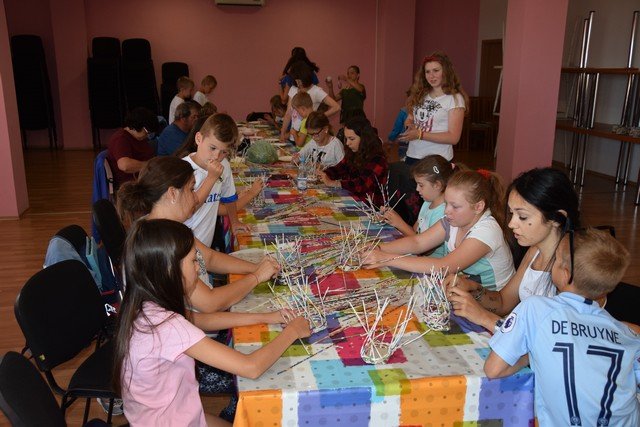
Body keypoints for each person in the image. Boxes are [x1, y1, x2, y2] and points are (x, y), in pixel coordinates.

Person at [113, 219, 311, 426]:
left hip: (166, 417)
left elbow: (203, 320)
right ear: (169, 270)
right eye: (193, 261)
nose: (198, 269)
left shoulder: (145, 307)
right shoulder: (167, 326)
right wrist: (292, 332)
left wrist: (266, 317)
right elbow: (251, 367)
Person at [485, 228, 638, 427]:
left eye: (556, 259)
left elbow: (494, 370)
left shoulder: (534, 308)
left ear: (565, 274)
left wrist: (533, 353)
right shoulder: (627, 334)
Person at [116, 156, 272, 308]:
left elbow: (210, 259)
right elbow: (210, 302)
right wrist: (257, 276)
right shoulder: (164, 242)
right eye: (192, 189)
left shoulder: (167, 226)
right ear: (172, 193)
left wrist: (256, 267)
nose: (197, 199)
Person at [447, 168, 580, 332]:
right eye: (511, 214)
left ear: (556, 218)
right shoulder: (535, 251)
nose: (511, 224)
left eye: (522, 217)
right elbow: (504, 302)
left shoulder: (571, 269)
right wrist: (472, 288)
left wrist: (485, 317)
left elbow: (547, 337)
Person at [364, 170, 514, 291]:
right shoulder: (455, 219)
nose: (447, 210)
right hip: (463, 292)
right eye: (446, 203)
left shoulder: (487, 231)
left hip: (490, 303)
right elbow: (418, 242)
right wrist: (378, 248)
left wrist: (386, 258)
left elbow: (443, 266)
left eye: (455, 206)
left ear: (478, 207)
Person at [181, 113, 251, 245]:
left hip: (206, 242)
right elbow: (188, 210)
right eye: (212, 148)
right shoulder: (182, 169)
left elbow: (229, 197)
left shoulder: (224, 165)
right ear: (198, 138)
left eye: (224, 152)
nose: (216, 156)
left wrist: (234, 222)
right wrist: (211, 178)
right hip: (183, 244)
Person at [383, 156, 459, 259]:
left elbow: (425, 250)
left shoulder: (443, 212)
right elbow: (414, 232)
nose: (417, 189)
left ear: (437, 185)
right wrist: (393, 219)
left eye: (421, 185)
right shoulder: (427, 203)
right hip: (418, 255)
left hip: (431, 263)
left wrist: (399, 223)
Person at [399, 52, 468, 165]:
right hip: (413, 155)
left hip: (437, 159)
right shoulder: (420, 94)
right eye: (428, 72)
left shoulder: (455, 98)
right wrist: (410, 125)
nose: (431, 76)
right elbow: (410, 118)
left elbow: (453, 138)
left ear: (446, 72)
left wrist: (420, 134)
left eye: (436, 70)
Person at [319, 117, 388, 204]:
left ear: (364, 138)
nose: (347, 143)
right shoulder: (354, 151)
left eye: (351, 139)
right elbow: (340, 168)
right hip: (352, 197)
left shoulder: (378, 158)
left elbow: (362, 184)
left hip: (370, 205)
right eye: (346, 138)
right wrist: (324, 173)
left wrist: (335, 183)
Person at [280, 62, 340, 143]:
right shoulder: (293, 89)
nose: (297, 82)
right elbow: (288, 114)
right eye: (295, 80)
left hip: (308, 138)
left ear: (304, 77)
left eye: (299, 79)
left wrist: (317, 117)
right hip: (294, 137)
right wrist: (282, 133)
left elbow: (336, 107)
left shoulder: (316, 91)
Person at [106, 107, 159, 188]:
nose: (147, 135)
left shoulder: (139, 138)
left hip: (145, 178)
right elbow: (125, 165)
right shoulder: (121, 139)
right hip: (132, 184)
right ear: (137, 126)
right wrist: (149, 166)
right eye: (147, 132)